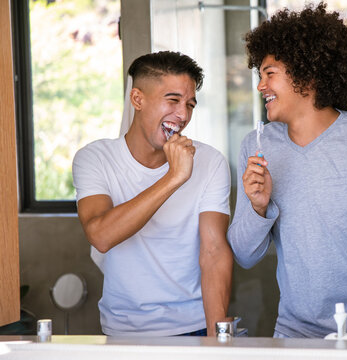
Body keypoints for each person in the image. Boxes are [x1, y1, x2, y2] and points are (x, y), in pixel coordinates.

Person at [227, 2, 347, 340]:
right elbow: (244, 255)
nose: (260, 86)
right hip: (293, 333)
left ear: (307, 73)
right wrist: (258, 207)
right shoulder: (257, 147)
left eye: (269, 73)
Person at [73, 51, 232, 337]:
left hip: (194, 327)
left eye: (190, 104)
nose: (183, 115)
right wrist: (174, 177)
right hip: (123, 331)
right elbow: (101, 235)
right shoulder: (94, 158)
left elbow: (214, 252)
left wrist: (217, 338)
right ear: (137, 99)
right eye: (172, 101)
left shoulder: (210, 161)